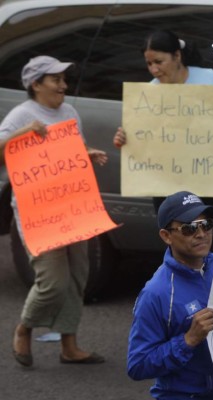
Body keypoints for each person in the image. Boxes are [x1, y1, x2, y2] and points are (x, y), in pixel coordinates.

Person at [0, 55, 108, 367]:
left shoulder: (70, 112)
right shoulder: (22, 115)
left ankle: (69, 345)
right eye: (55, 79)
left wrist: (89, 153)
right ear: (36, 84)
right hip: (39, 214)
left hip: (74, 206)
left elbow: (71, 151)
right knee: (52, 282)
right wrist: (24, 133)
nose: (63, 85)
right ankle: (24, 328)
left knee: (77, 277)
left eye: (63, 79)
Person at [113, 29, 213, 253]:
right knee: (180, 246)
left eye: (159, 61)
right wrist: (124, 139)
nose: (154, 69)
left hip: (210, 183)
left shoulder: (209, 79)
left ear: (177, 56)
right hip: (168, 187)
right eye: (149, 63)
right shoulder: (150, 93)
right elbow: (143, 139)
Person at [127, 191, 213, 400]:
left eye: (206, 225)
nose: (201, 234)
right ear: (166, 236)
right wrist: (188, 339)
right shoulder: (156, 293)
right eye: (189, 228)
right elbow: (137, 365)